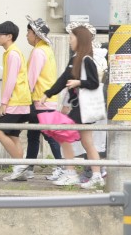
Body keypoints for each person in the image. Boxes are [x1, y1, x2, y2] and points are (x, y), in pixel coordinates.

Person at [44, 24, 105, 189]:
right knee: (87, 142)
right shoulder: (75, 59)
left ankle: (71, 173)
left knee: (63, 134)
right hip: (80, 107)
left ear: (80, 40)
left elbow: (93, 83)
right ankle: (97, 175)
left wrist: (79, 82)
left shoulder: (86, 60)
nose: (69, 41)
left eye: (71, 38)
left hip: (83, 108)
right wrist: (49, 93)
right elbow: (64, 78)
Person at [9, 15, 63, 181]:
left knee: (49, 136)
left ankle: (61, 167)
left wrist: (23, 98)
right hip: (46, 100)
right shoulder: (46, 50)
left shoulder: (38, 52)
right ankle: (29, 168)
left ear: (35, 34)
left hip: (40, 100)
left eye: (28, 32)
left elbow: (31, 78)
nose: (26, 35)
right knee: (33, 136)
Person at [0, 21, 34, 164]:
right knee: (13, 135)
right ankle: (20, 168)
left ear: (9, 36)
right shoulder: (12, 52)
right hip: (21, 101)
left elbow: (11, 80)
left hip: (16, 102)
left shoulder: (13, 54)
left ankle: (20, 165)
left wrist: (4, 103)